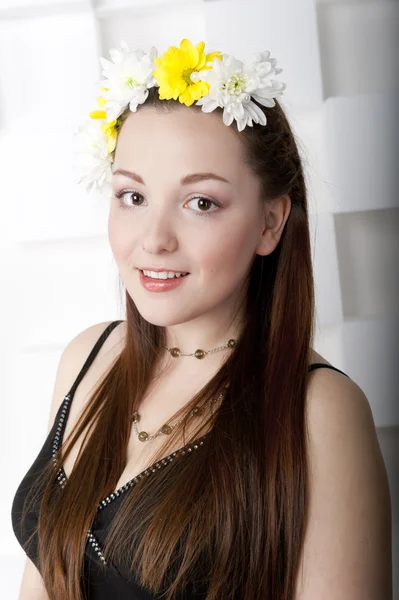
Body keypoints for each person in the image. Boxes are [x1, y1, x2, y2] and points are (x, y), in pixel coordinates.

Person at [11, 38, 392, 600]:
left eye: (201, 203)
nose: (155, 240)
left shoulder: (319, 413)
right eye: (133, 196)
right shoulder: (88, 358)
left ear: (270, 222)